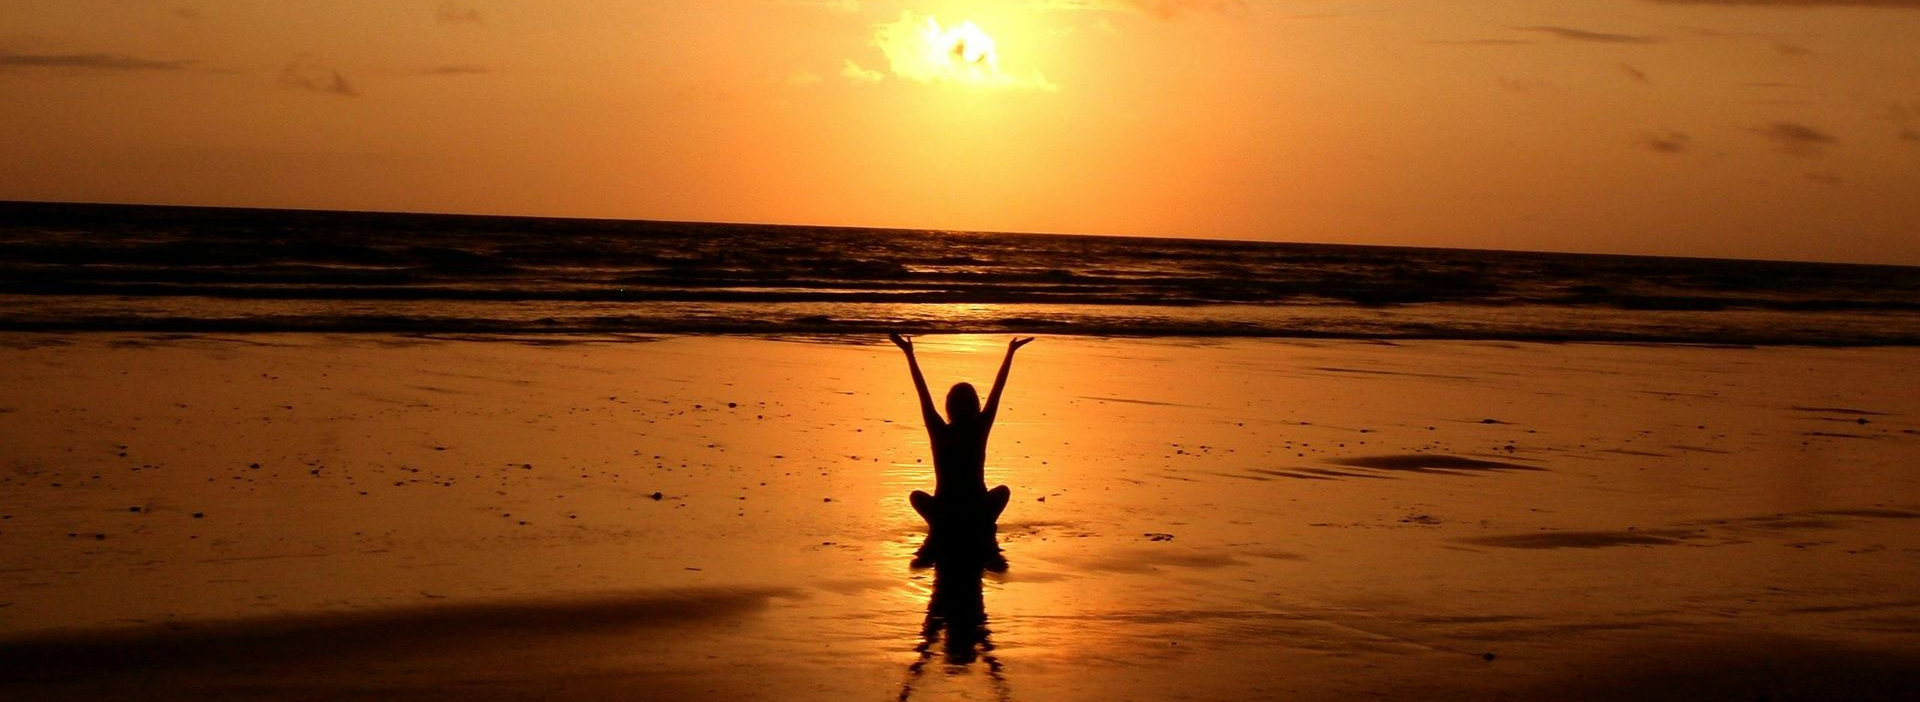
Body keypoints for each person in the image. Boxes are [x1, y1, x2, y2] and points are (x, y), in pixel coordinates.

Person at [889, 333, 1033, 543]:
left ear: (949, 406)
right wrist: (1009, 353)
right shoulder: (979, 428)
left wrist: (909, 354)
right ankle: (978, 523)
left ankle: (950, 525)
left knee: (916, 496)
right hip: (977, 509)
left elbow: (923, 392)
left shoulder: (940, 430)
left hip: (945, 511)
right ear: (975, 405)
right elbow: (997, 390)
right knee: (1002, 492)